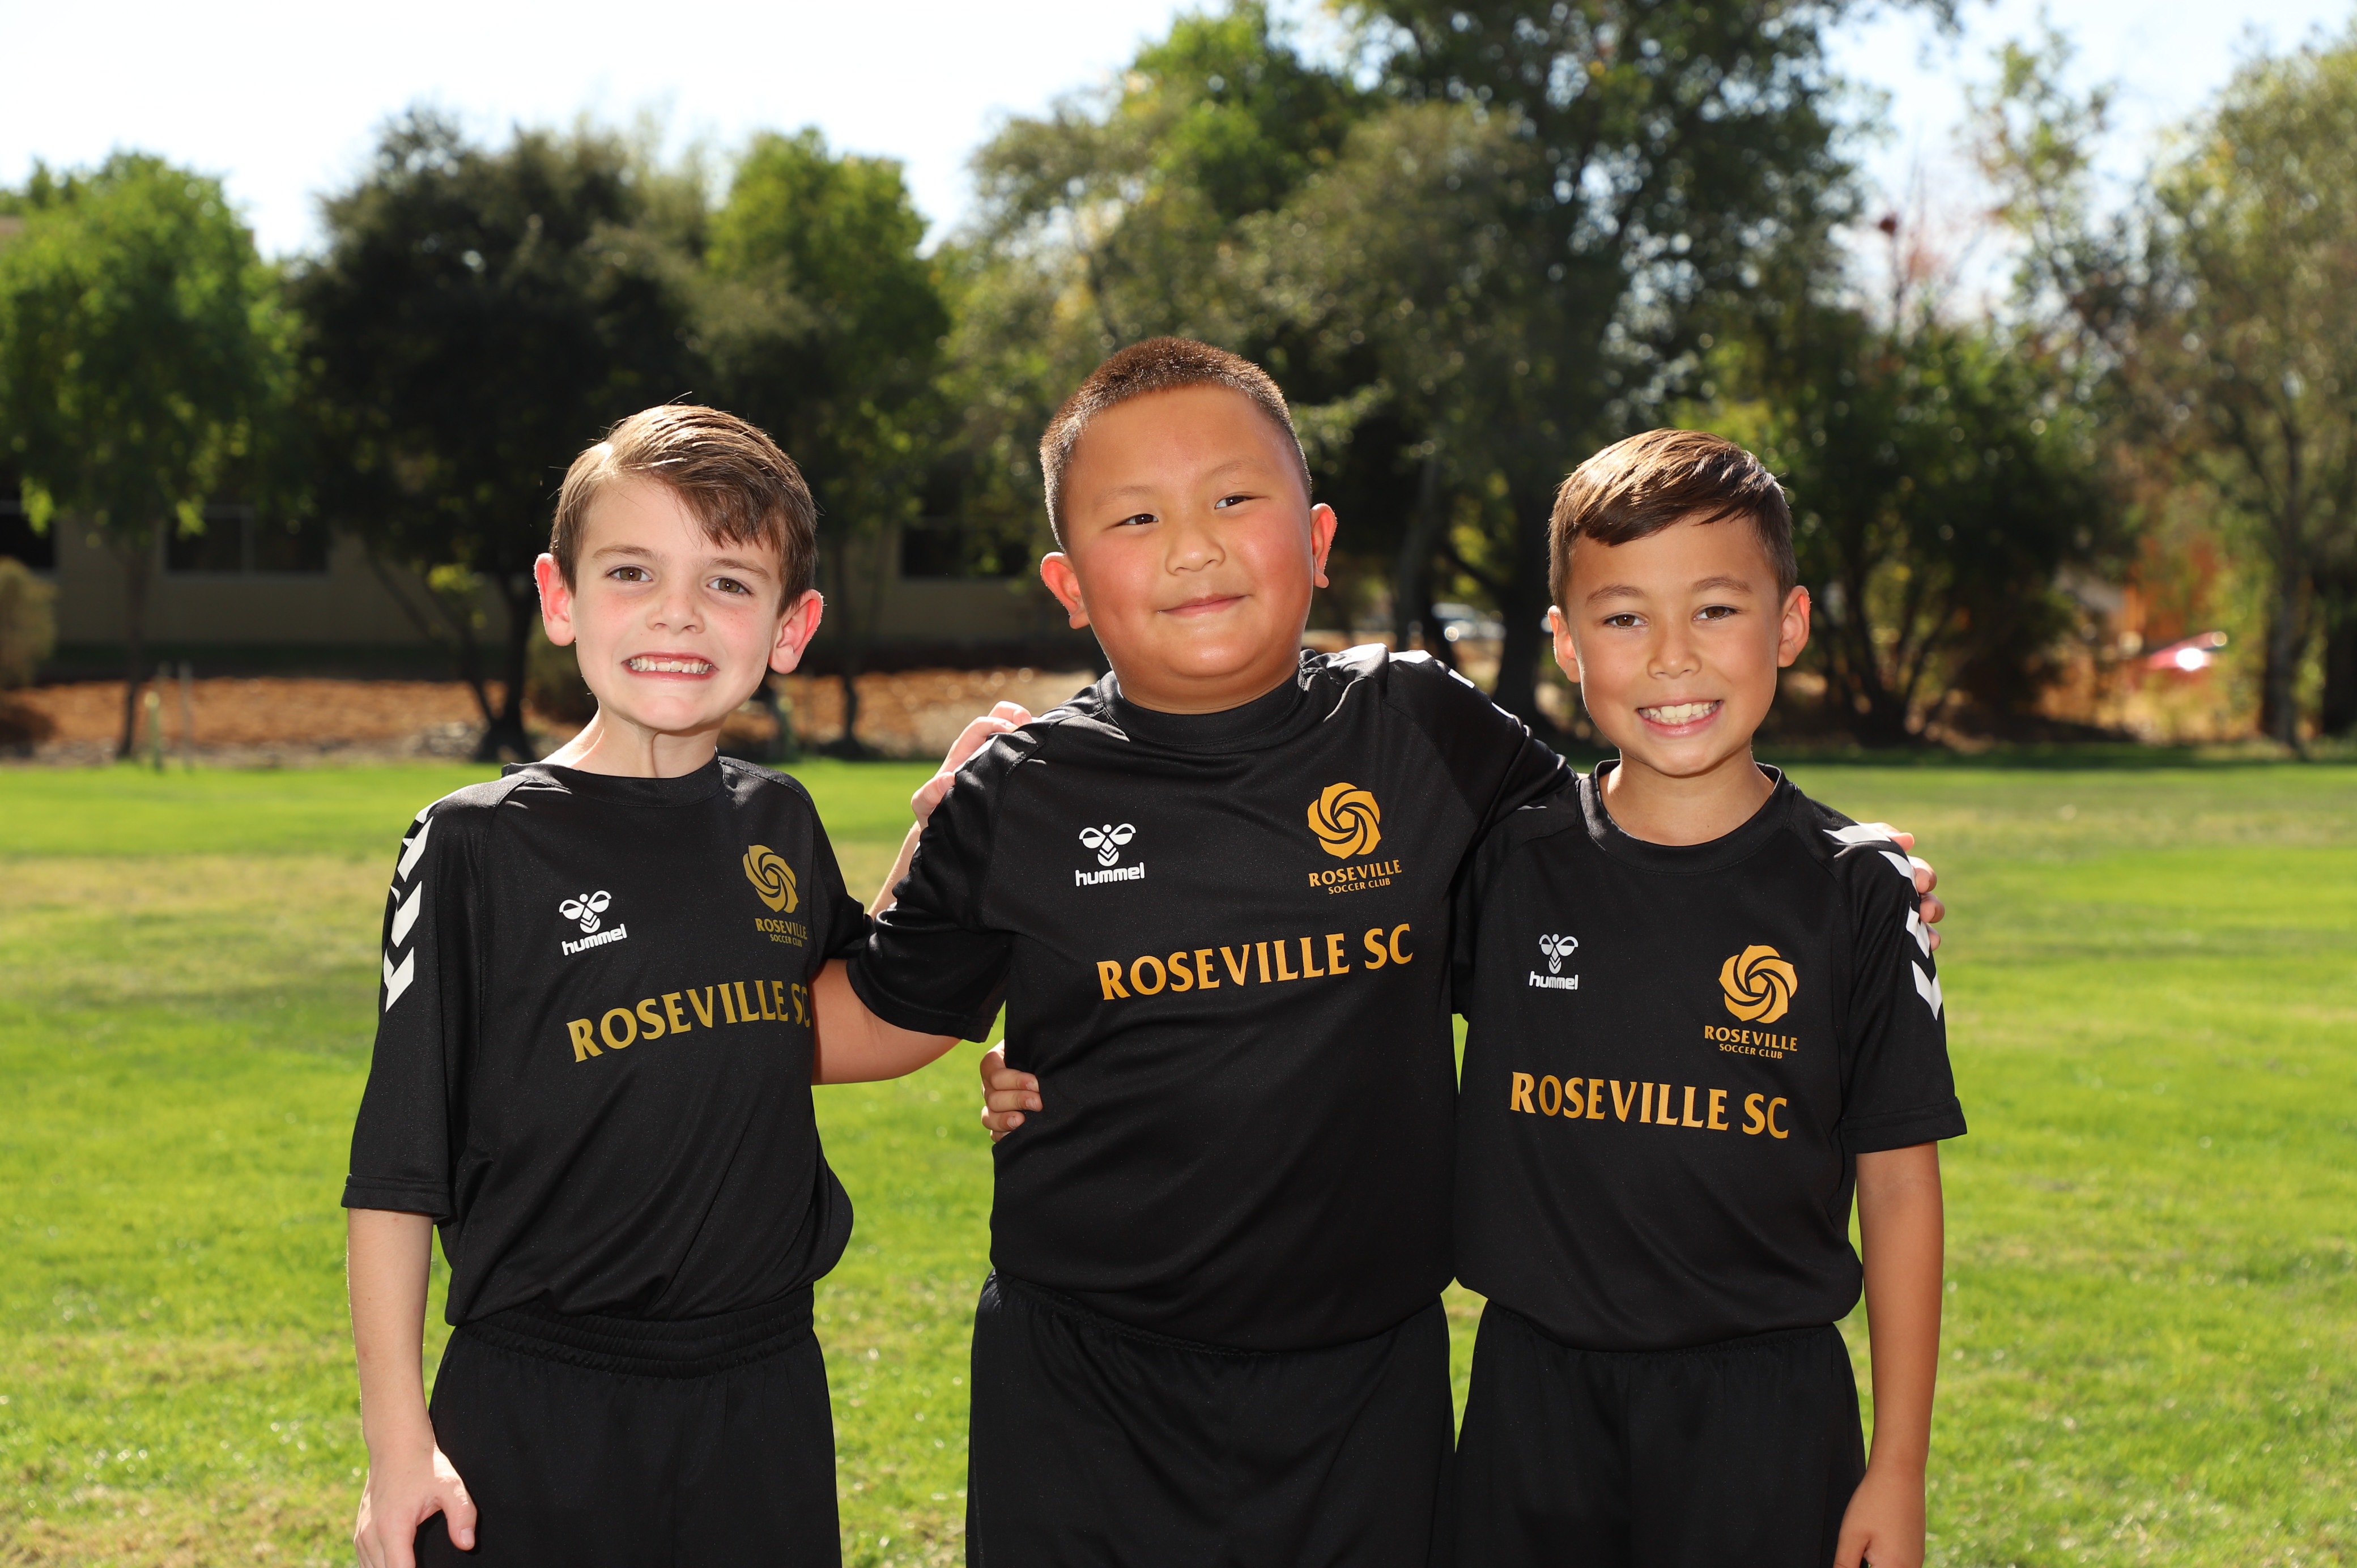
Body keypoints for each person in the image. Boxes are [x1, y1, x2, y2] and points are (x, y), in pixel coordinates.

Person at [852, 340, 1947, 1566]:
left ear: (1318, 539)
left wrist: (1840, 874)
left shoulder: (1419, 728)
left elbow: (1630, 844)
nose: (1194, 547)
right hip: (1083, 1381)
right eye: (1139, 516)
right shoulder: (1022, 791)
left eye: (1233, 498)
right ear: (1067, 581)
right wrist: (931, 851)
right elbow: (876, 1011)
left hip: (1364, 1390)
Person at [342, 406, 963, 1568]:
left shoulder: (778, 819)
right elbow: (395, 1171)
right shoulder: (474, 845)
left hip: (762, 1391)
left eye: (729, 582)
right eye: (632, 572)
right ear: (561, 597)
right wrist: (398, 1441)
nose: (678, 612)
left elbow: (832, 1011)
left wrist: (950, 835)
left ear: (791, 625)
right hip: (541, 1402)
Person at [1449, 428, 1964, 1568]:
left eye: (1717, 610)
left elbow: (1897, 1185)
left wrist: (1899, 1466)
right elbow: (1327, 982)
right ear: (1566, 643)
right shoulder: (1505, 862)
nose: (1672, 658)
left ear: (1789, 624)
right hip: (1533, 1401)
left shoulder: (1858, 891)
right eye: (1624, 618)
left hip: (1766, 1413)